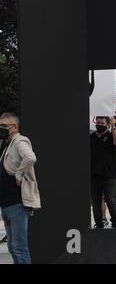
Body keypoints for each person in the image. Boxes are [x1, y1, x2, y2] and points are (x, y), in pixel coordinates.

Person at [0, 112, 41, 264]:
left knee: (19, 247)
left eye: (4, 126)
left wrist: (19, 174)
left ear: (15, 127)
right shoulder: (7, 144)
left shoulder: (19, 141)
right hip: (7, 204)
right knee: (12, 246)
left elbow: (30, 157)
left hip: (17, 203)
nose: (1, 129)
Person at [90, 116, 116, 229]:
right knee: (95, 201)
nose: (99, 125)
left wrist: (113, 127)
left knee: (110, 199)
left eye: (102, 123)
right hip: (94, 175)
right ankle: (98, 224)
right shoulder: (91, 137)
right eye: (98, 123)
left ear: (107, 124)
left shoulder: (111, 135)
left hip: (109, 174)